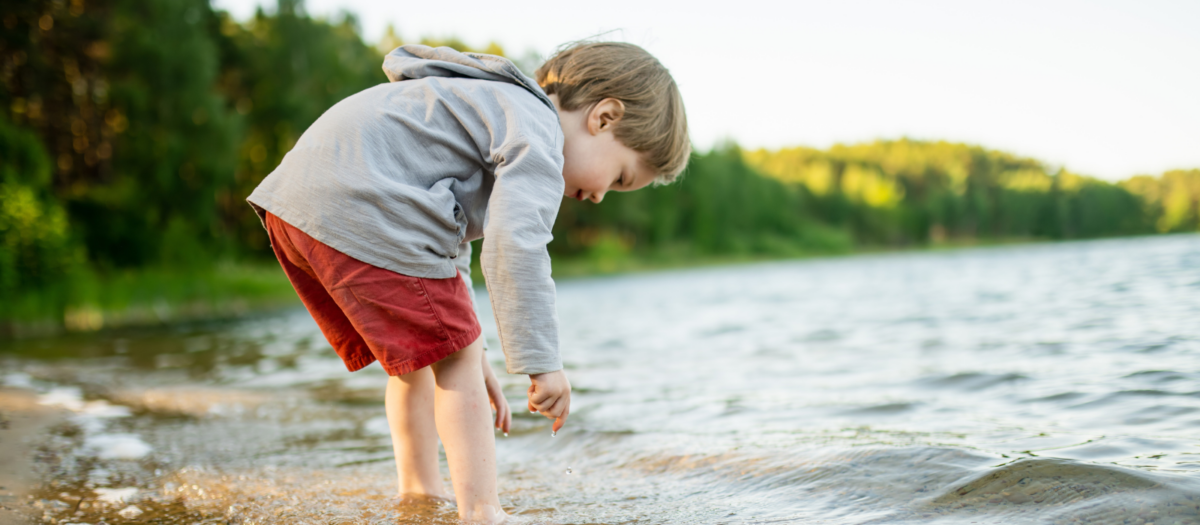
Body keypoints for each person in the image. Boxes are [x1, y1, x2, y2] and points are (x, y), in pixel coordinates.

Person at [246, 41, 689, 523]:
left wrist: (475, 351)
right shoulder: (539, 132)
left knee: (420, 361)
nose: (603, 197)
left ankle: (418, 493)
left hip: (298, 204)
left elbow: (445, 249)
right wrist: (542, 363)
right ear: (604, 117)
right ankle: (482, 512)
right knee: (452, 359)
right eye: (622, 177)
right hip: (368, 203)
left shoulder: (491, 106)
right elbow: (517, 247)